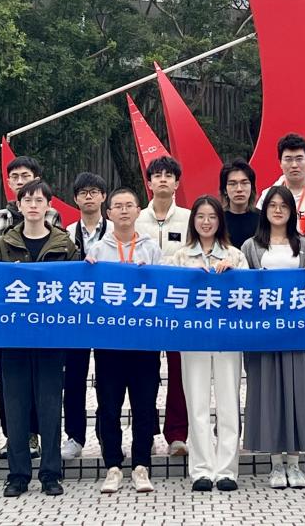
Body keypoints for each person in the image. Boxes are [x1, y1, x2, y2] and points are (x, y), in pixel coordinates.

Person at [0, 181, 79, 497]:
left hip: (51, 338)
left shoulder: (65, 244)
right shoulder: (4, 245)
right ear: (18, 205)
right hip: (13, 337)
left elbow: (76, 288)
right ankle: (18, 474)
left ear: (48, 206)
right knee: (15, 405)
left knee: (50, 404)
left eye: (38, 200)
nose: (32, 205)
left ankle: (51, 473)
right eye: (27, 200)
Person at [241, 186, 305, 490]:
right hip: (264, 336)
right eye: (272, 205)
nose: (277, 210)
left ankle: (296, 464)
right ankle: (276, 464)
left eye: (283, 206)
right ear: (264, 210)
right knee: (268, 395)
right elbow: (241, 287)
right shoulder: (250, 246)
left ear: (292, 211)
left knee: (299, 393)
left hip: (299, 335)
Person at [167, 196, 248, 491]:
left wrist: (233, 276)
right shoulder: (179, 257)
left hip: (228, 338)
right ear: (193, 221)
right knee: (197, 403)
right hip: (193, 338)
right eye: (200, 216)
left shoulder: (235, 255)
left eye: (212, 217)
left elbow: (249, 295)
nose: (206, 222)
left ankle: (227, 470)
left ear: (220, 221)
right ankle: (201, 469)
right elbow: (168, 293)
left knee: (228, 403)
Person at [85, 188, 164, 494]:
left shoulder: (151, 248)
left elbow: (164, 290)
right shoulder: (97, 250)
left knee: (144, 406)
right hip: (109, 344)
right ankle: (113, 466)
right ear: (108, 213)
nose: (123, 210)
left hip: (144, 343)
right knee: (109, 407)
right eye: (117, 206)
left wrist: (151, 276)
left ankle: (141, 466)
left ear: (138, 210)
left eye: (129, 205)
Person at [0, 154, 51, 461]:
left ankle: (36, 434)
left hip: (43, 314)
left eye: (25, 176)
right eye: (14, 177)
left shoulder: (53, 216)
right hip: (8, 312)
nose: (19, 181)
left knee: (41, 378)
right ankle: (13, 435)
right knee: (7, 378)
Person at [134, 155, 192, 457]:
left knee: (179, 371)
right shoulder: (136, 218)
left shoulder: (189, 218)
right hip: (144, 306)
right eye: (157, 175)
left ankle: (177, 434)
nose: (163, 180)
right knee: (145, 371)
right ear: (149, 182)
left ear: (177, 183)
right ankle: (146, 432)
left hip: (178, 304)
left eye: (169, 175)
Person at [60, 171, 108, 461]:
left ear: (103, 196)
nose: (89, 197)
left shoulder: (115, 232)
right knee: (74, 378)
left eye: (94, 192)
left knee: (108, 377)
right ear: (75, 199)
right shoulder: (65, 233)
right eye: (83, 193)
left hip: (107, 316)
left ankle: (106, 435)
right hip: (75, 318)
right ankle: (74, 436)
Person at [257, 132, 305, 237]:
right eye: (288, 159)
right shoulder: (267, 197)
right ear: (280, 163)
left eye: (299, 159)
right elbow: (261, 231)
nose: (294, 165)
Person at [220, 159, 263, 249]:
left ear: (252, 187)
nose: (239, 189)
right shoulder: (218, 220)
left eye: (244, 183)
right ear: (224, 190)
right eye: (232, 184)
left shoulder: (263, 219)